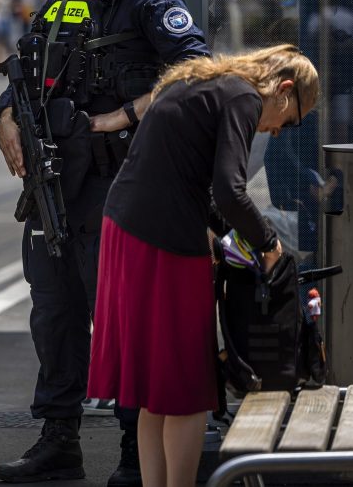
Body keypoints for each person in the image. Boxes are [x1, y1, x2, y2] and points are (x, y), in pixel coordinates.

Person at [0, 0, 210, 485]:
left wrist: (125, 113)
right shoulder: (63, 0)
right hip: (55, 188)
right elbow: (20, 68)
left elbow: (195, 66)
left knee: (117, 322)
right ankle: (58, 438)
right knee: (53, 316)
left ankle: (129, 450)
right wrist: (7, 116)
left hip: (117, 191)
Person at [88, 44, 318, 487]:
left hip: (126, 228)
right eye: (290, 121)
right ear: (284, 90)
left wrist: (234, 235)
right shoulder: (244, 97)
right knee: (187, 389)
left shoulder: (199, 82)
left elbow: (199, 184)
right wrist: (269, 246)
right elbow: (230, 190)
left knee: (156, 390)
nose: (278, 131)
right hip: (165, 239)